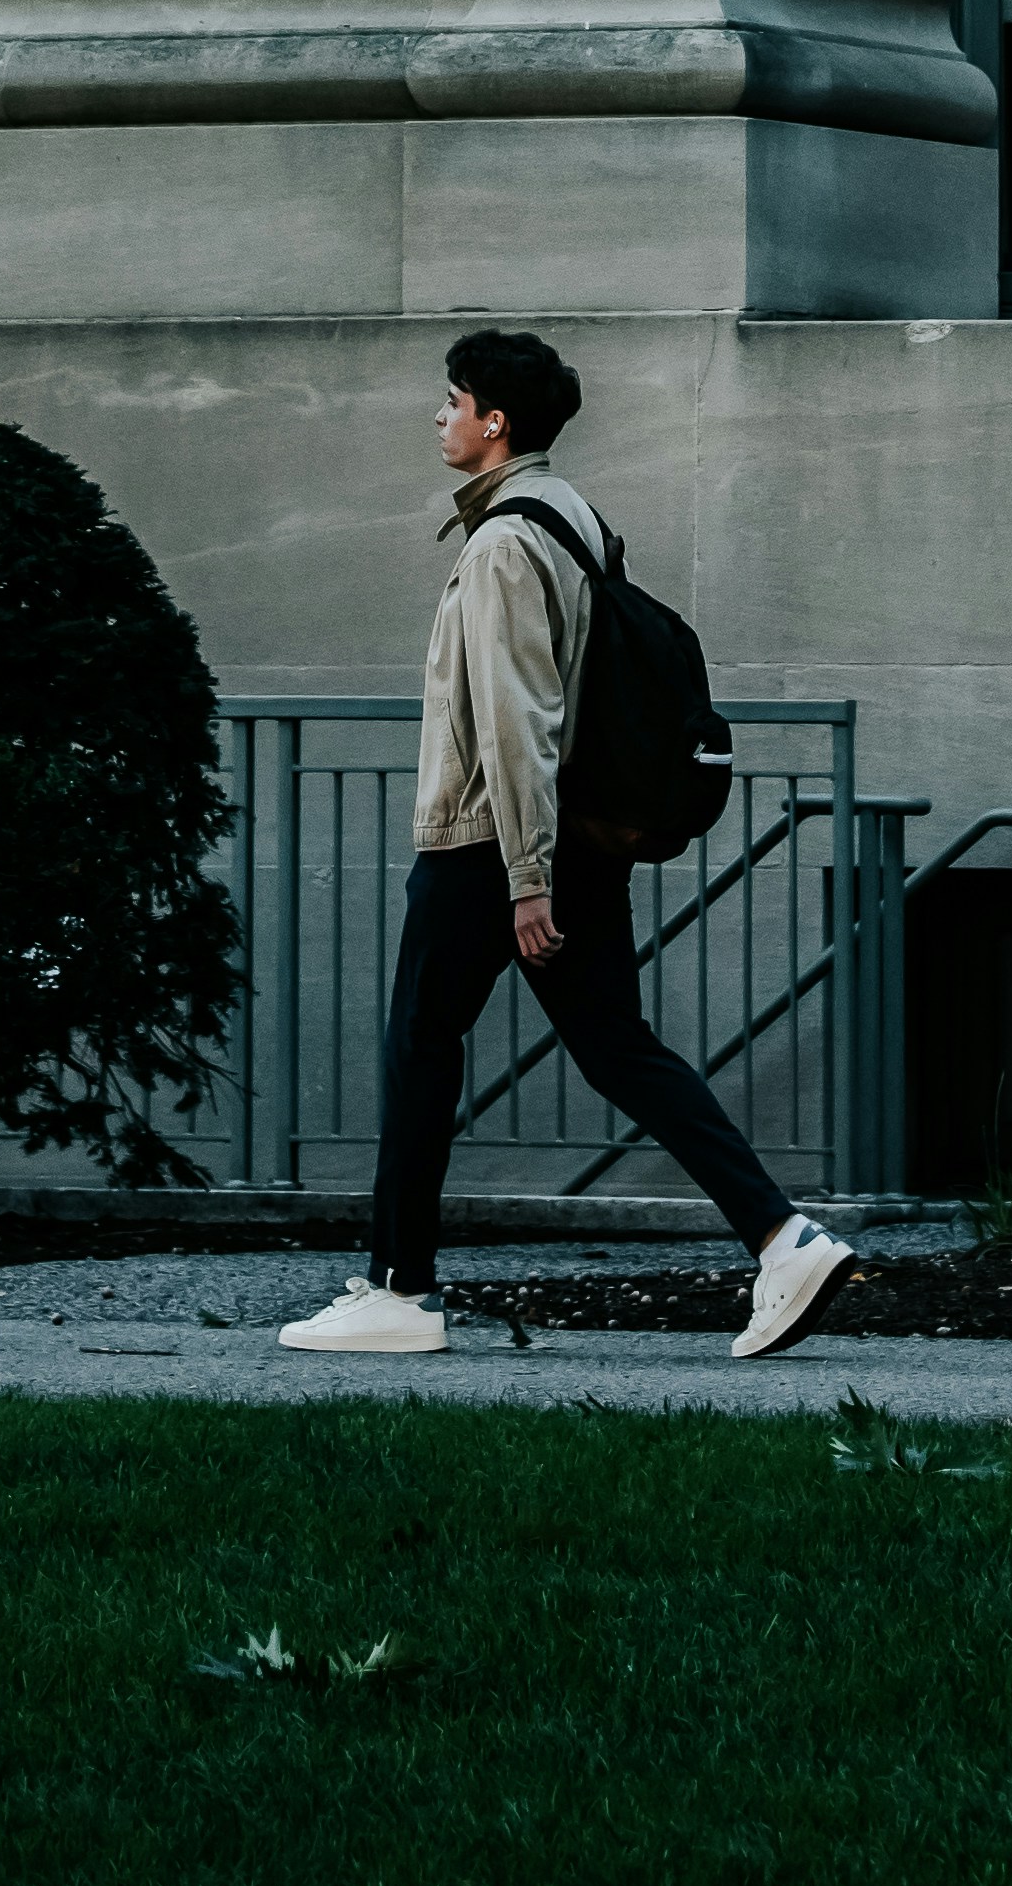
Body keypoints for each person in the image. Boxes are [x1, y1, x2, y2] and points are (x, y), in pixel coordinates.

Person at [279, 325, 858, 1365]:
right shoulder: (572, 515)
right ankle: (784, 1239)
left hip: (492, 844)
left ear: (493, 423)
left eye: (450, 401)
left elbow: (517, 719)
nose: (439, 417)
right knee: (614, 1044)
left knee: (419, 1045)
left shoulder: (505, 542)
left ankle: (401, 1292)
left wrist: (524, 878)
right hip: (567, 834)